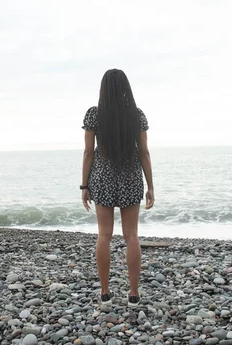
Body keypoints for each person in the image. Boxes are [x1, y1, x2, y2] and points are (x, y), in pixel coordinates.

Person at [80, 68, 154, 308]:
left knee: (104, 235)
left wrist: (84, 185)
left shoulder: (94, 114)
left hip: (102, 177)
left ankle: (105, 293)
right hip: (131, 176)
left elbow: (88, 152)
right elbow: (144, 153)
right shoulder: (137, 115)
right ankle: (133, 294)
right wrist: (150, 186)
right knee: (131, 235)